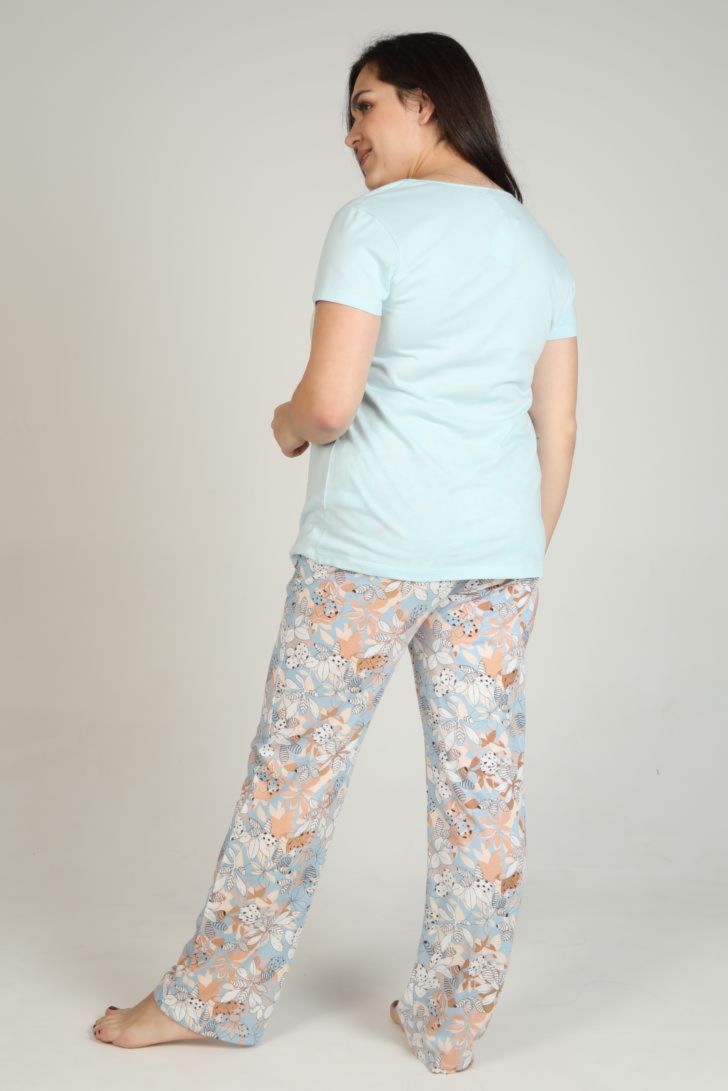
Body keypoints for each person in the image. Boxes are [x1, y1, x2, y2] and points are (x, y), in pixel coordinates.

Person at [92, 30, 578, 1076]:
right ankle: (450, 1024)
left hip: (366, 552)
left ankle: (217, 996)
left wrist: (281, 425)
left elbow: (326, 402)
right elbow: (559, 431)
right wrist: (512, 556)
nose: (349, 133)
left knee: (293, 781)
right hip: (497, 565)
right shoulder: (538, 246)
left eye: (364, 106)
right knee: (481, 798)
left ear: (426, 102)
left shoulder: (371, 224)